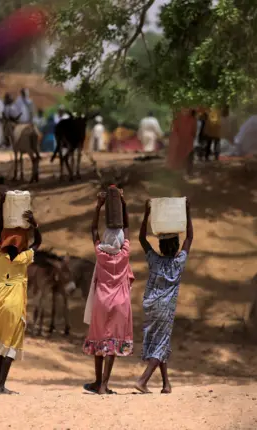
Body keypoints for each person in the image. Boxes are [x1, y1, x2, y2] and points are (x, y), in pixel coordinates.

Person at [0, 193, 41, 395]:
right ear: (21, 245)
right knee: (11, 344)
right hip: (13, 302)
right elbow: (38, 243)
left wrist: (1, 205)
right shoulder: (23, 258)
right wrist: (34, 225)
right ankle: (1, 385)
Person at [135, 197, 193, 394]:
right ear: (176, 246)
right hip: (166, 308)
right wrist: (188, 211)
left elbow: (142, 239)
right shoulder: (179, 263)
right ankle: (143, 380)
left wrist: (146, 214)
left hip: (151, 305)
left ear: (160, 247)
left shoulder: (154, 260)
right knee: (161, 342)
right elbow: (190, 239)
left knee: (160, 341)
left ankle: (166, 384)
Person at [82, 192, 134, 395]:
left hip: (102, 301)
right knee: (112, 344)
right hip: (121, 302)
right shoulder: (125, 253)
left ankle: (97, 381)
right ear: (121, 241)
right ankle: (104, 384)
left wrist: (98, 206)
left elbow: (93, 228)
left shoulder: (100, 253)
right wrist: (123, 202)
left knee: (98, 340)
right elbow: (127, 228)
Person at [166, 108, 198, 176]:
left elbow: (174, 131)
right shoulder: (192, 120)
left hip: (183, 142)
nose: (185, 111)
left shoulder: (177, 120)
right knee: (188, 156)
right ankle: (187, 172)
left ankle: (184, 171)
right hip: (186, 142)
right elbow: (194, 132)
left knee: (184, 155)